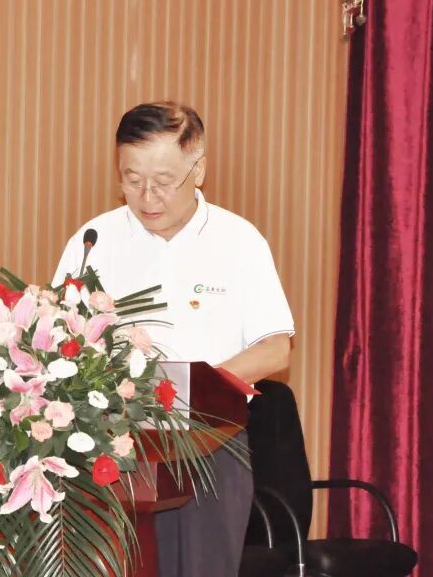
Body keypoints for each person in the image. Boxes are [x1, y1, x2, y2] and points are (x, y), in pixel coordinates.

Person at [51, 101, 295, 577]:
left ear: (197, 169)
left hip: (210, 445)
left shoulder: (238, 241)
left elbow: (275, 347)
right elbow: (59, 343)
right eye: (132, 179)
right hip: (111, 447)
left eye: (163, 181)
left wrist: (192, 389)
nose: (147, 196)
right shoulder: (94, 240)